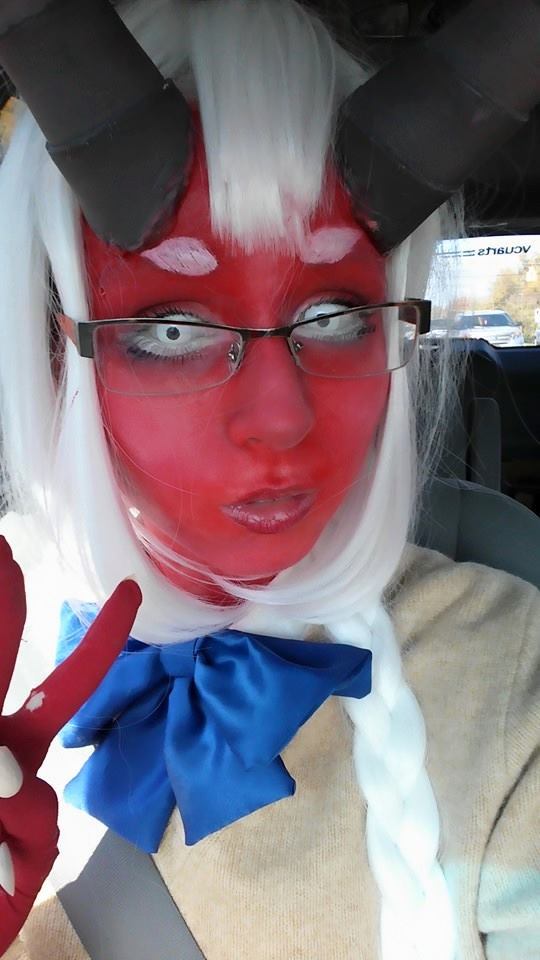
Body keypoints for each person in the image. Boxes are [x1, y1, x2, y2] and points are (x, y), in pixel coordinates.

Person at [0, 1, 537, 959]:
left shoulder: (508, 675)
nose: (282, 418)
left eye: (337, 317)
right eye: (172, 329)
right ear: (52, 353)